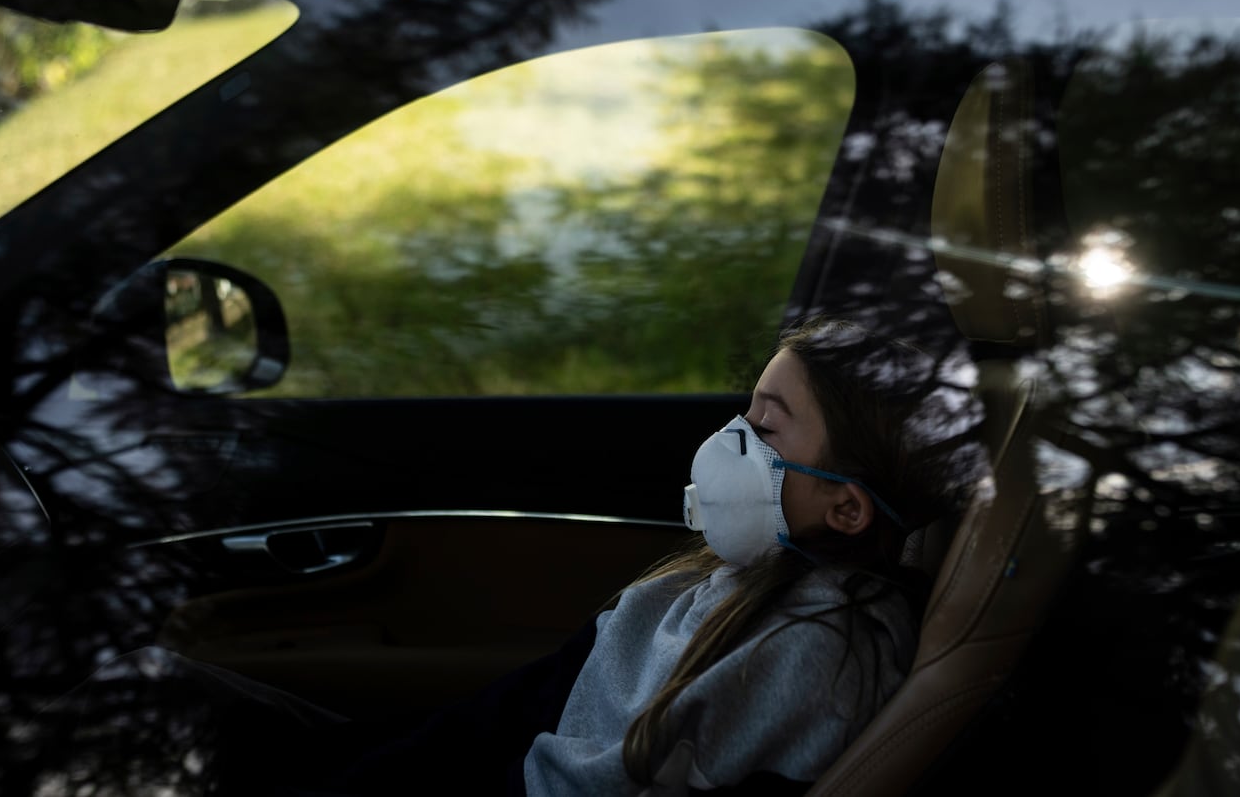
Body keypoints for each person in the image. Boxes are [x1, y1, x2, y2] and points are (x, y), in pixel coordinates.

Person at [210, 315, 962, 796]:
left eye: (767, 428)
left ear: (847, 506)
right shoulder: (708, 582)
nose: (731, 438)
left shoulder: (812, 654)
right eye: (746, 409)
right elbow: (514, 708)